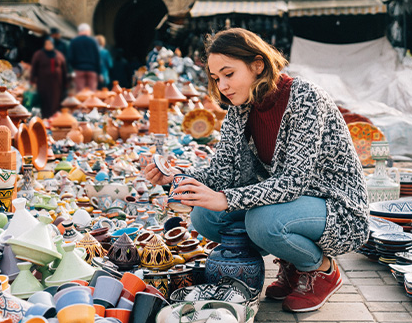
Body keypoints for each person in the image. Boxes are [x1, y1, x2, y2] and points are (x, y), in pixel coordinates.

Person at [145, 28, 369, 313]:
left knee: (262, 222)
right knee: (205, 215)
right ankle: (292, 261)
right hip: (288, 205)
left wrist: (226, 199)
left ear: (257, 65)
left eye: (229, 74)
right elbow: (220, 174)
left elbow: (293, 182)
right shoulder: (240, 109)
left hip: (337, 207)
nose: (222, 86)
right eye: (216, 78)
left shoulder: (306, 98)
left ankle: (321, 270)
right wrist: (174, 177)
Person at [30, 36, 68, 118]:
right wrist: (32, 81)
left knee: (55, 101)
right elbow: (34, 68)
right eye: (46, 44)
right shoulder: (39, 55)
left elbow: (64, 69)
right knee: (45, 101)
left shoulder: (59, 55)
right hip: (43, 83)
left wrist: (66, 83)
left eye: (50, 43)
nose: (48, 45)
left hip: (56, 84)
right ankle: (45, 119)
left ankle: (54, 119)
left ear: (53, 44)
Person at [68, 23, 101, 92]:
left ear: (79, 31)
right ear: (88, 31)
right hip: (92, 70)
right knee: (92, 94)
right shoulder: (93, 41)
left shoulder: (74, 41)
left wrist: (74, 67)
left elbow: (70, 57)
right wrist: (99, 72)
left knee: (80, 93)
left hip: (79, 70)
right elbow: (98, 58)